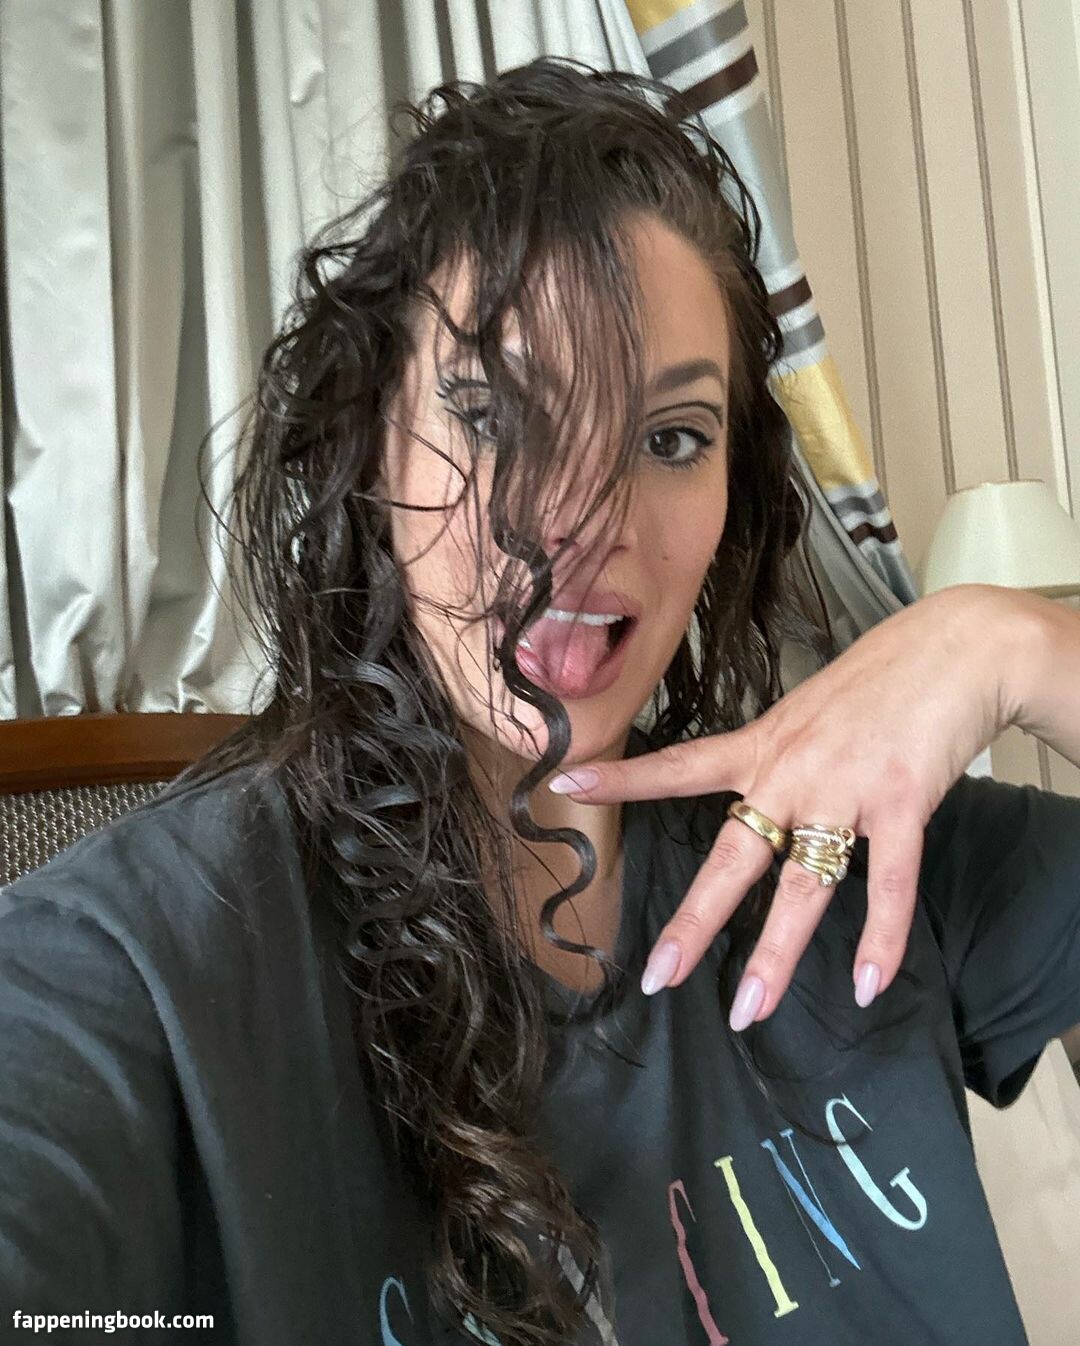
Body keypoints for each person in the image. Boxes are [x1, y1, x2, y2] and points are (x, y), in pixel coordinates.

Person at [1, 58, 1079, 1346]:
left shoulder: (872, 863)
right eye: (495, 415)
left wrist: (1014, 643)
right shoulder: (133, 977)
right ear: (367, 440)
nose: (582, 525)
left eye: (671, 438)